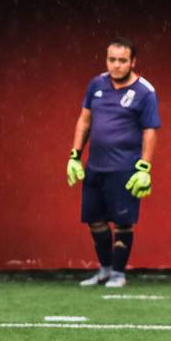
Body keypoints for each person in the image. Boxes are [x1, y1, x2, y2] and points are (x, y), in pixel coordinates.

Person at [66, 37, 161, 288]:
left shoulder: (145, 92)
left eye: (122, 61)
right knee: (94, 219)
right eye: (112, 60)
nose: (116, 65)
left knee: (122, 222)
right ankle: (105, 270)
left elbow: (150, 131)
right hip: (95, 166)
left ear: (132, 62)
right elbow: (84, 121)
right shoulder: (96, 84)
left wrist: (144, 167)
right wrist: (74, 155)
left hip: (125, 168)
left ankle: (119, 273)